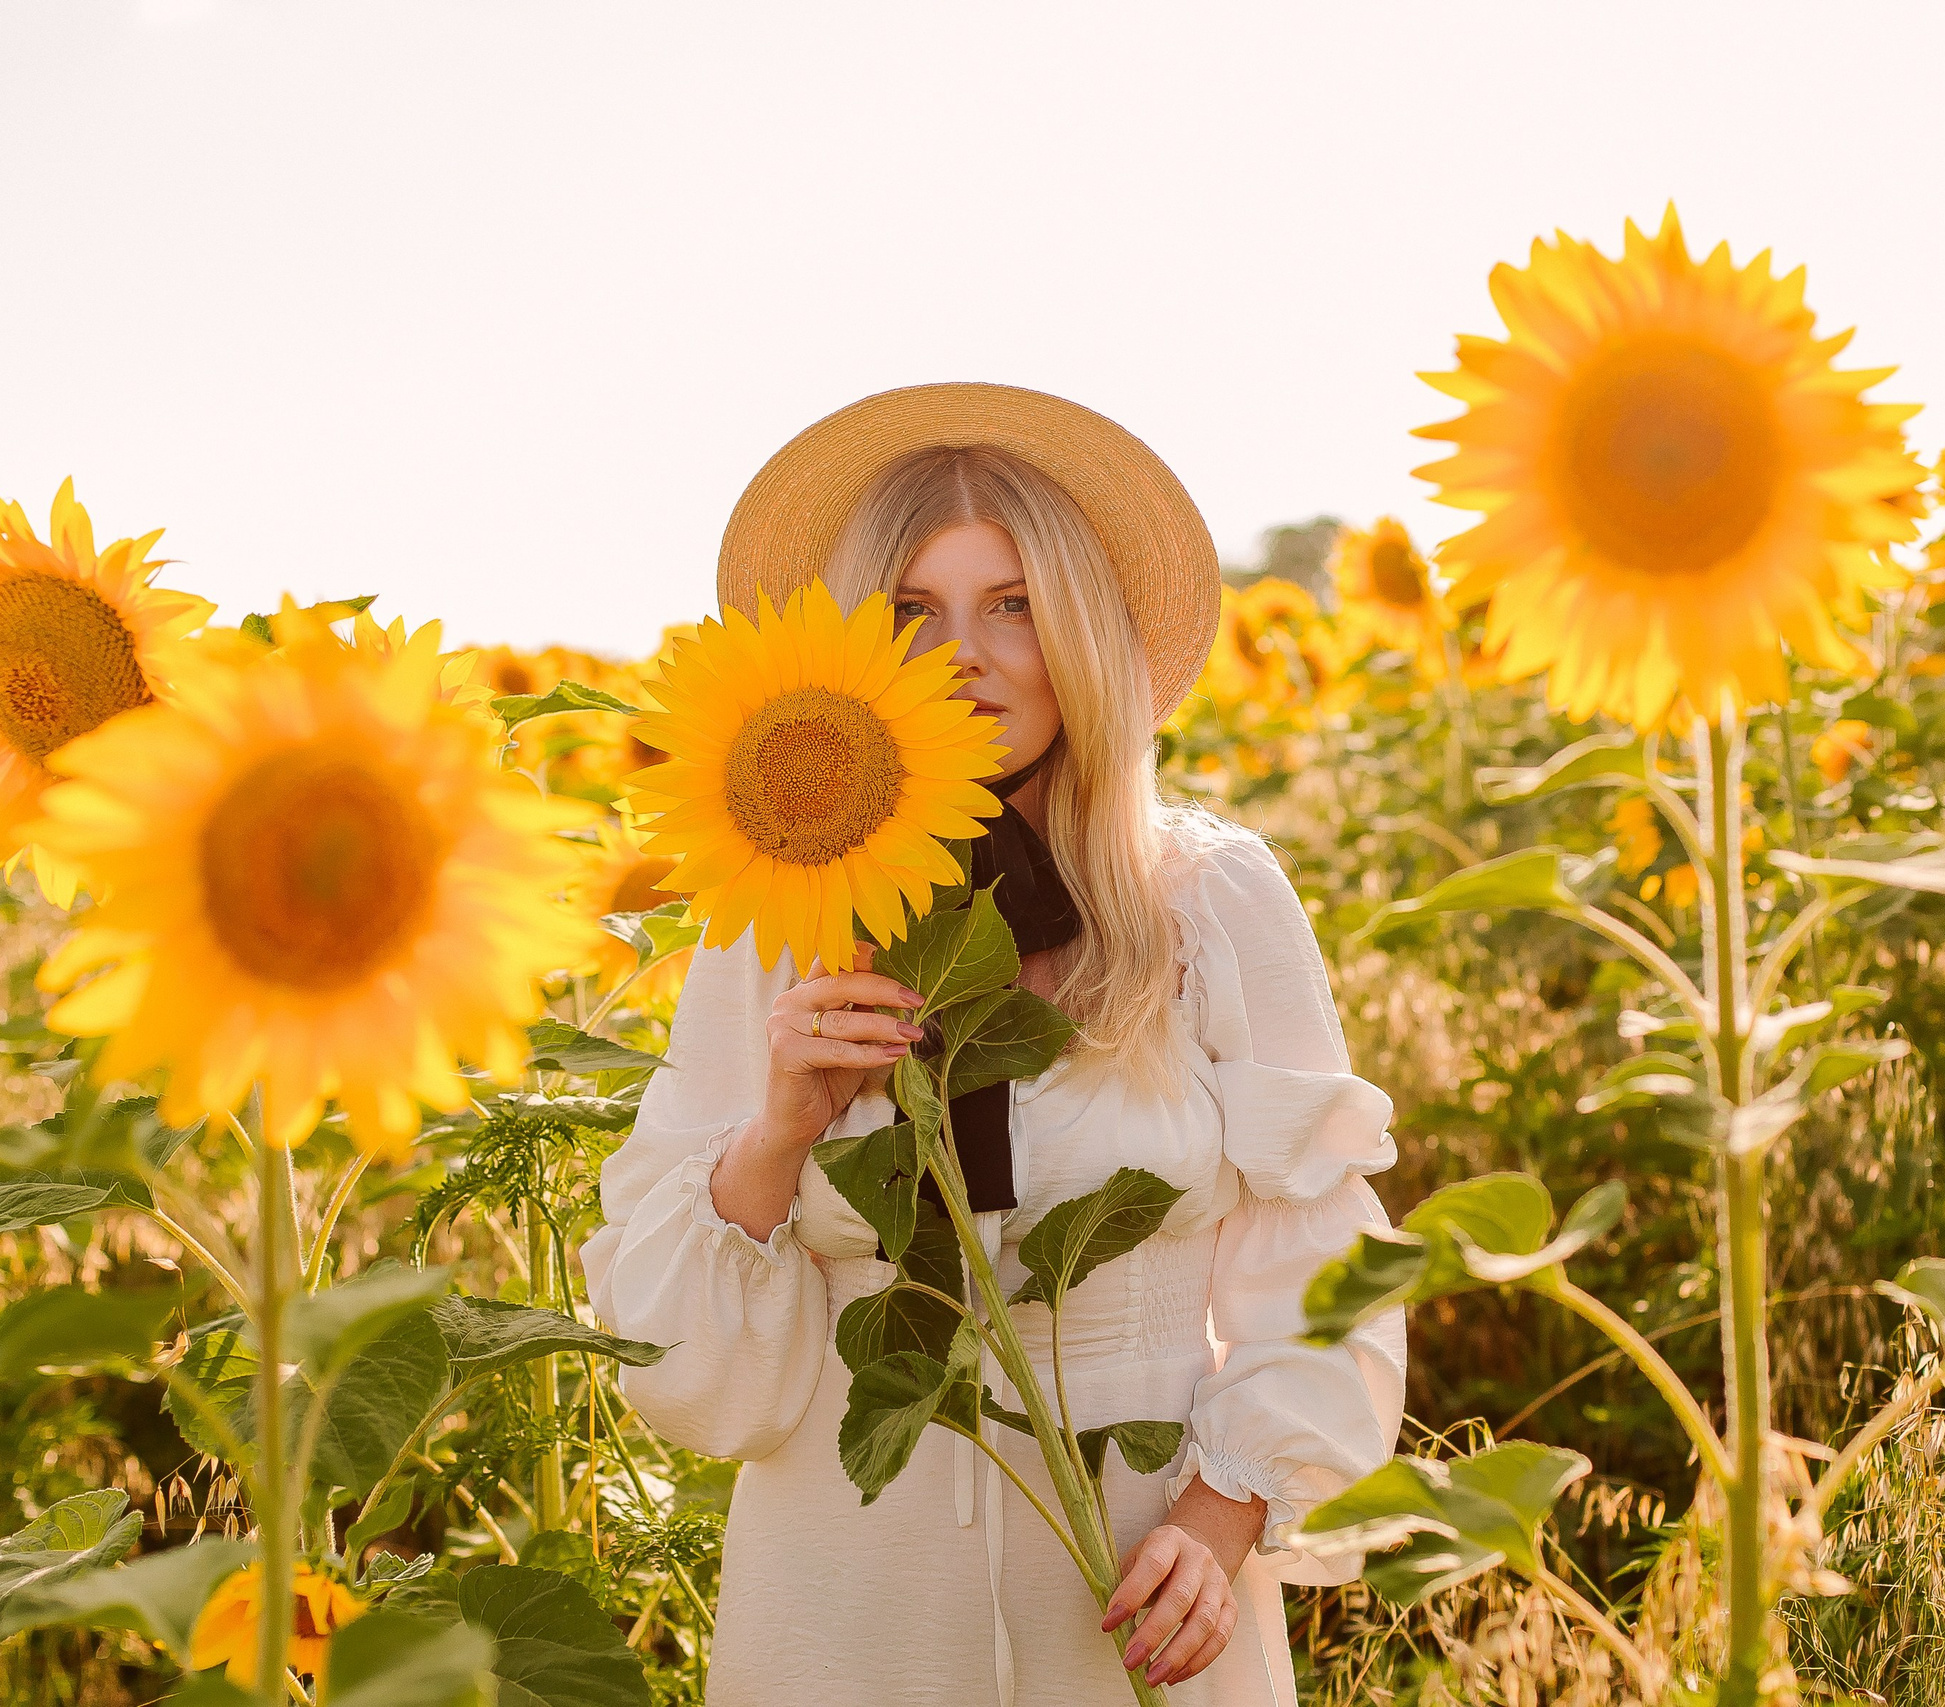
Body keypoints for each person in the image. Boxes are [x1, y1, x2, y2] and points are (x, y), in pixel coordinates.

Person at [581, 383, 1406, 1705]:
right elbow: (698, 1394)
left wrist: (1220, 1518)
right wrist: (782, 1128)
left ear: (1080, 626)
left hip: (1138, 1608)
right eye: (913, 613)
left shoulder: (1209, 902)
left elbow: (1327, 1268)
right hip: (844, 1617)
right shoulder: (772, 925)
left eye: (1012, 603)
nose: (965, 654)